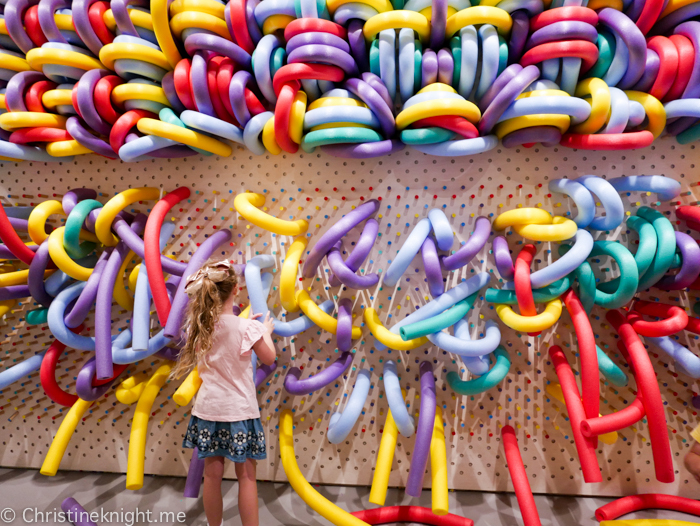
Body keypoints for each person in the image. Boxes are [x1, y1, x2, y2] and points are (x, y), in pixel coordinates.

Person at [171, 258, 276, 526]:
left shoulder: (199, 328)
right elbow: (268, 357)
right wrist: (264, 332)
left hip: (208, 411)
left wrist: (248, 328)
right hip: (239, 412)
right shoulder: (247, 328)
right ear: (235, 291)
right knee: (247, 478)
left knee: (212, 476)